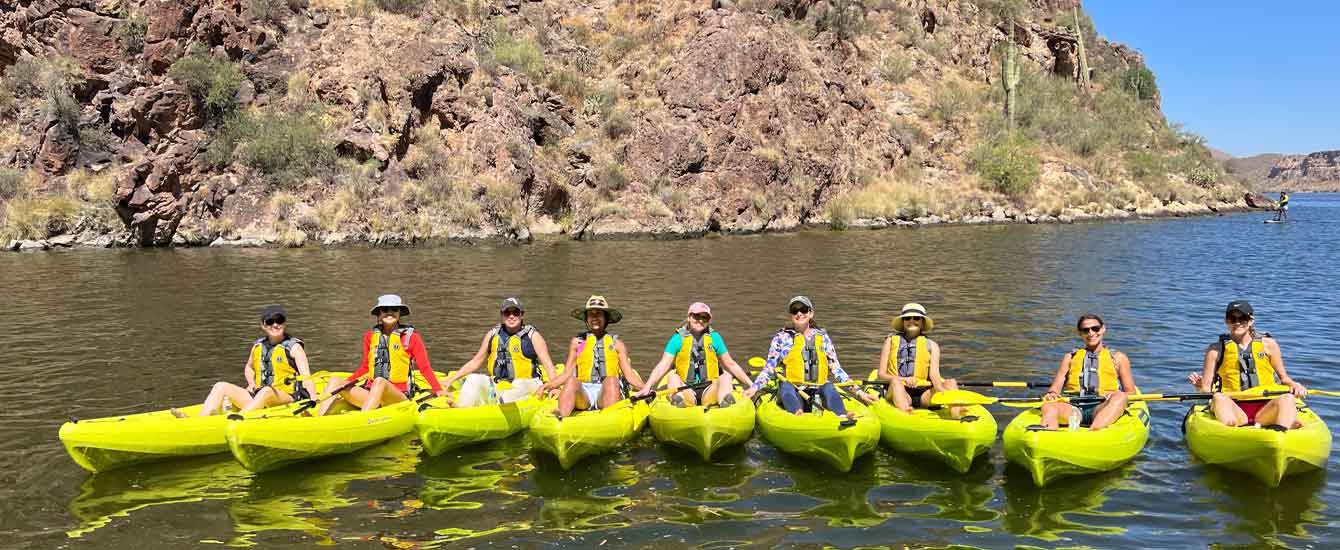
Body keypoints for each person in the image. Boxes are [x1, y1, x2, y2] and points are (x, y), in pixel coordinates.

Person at [173, 305, 318, 417]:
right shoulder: (258, 346)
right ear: (263, 325)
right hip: (259, 396)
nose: (275, 325)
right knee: (220, 386)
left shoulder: (294, 348)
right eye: (270, 321)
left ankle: (240, 419)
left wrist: (313, 399)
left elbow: (306, 377)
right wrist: (252, 383)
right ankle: (200, 421)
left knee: (267, 391)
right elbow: (249, 368)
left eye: (279, 320)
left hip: (287, 398)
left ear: (284, 323)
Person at [315, 295, 449, 415]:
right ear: (379, 314)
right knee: (335, 381)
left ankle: (361, 422)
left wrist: (437, 389)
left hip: (398, 397)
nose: (389, 312)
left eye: (394, 310)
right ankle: (317, 422)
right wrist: (344, 386)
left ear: (399, 314)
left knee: (379, 381)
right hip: (371, 394)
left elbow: (424, 367)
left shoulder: (412, 338)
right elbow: (365, 367)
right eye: (385, 309)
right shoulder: (370, 337)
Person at [743, 296, 874, 416]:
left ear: (811, 313)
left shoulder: (822, 338)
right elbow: (769, 369)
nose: (799, 313)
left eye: (803, 310)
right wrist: (754, 388)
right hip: (794, 391)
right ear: (791, 315)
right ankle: (797, 413)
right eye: (795, 311)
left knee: (828, 386)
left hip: (818, 391)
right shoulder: (782, 338)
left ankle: (841, 414)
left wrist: (859, 392)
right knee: (786, 386)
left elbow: (837, 369)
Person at [1187, 300, 1307, 429]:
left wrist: (1295, 385)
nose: (1237, 323)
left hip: (1266, 407)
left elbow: (1284, 378)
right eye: (1232, 319)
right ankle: (1231, 431)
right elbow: (1206, 388)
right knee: (1218, 398)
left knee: (1287, 398)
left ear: (1250, 321)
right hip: (1234, 407)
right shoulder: (1214, 350)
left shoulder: (1269, 345)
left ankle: (1280, 431)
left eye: (1242, 318)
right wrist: (1200, 388)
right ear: (1226, 322)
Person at [542, 295, 646, 417]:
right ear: (586, 319)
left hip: (606, 391)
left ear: (606, 318)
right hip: (584, 393)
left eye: (599, 314)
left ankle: (610, 420)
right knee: (572, 381)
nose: (595, 318)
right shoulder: (579, 342)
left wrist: (646, 388)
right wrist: (547, 386)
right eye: (591, 314)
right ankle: (561, 418)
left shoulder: (617, 345)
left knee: (612, 380)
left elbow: (629, 375)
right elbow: (567, 373)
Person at [442, 297, 559, 406]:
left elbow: (547, 364)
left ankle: (497, 404)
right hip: (499, 384)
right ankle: (463, 408)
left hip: (528, 384)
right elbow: (475, 362)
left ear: (522, 315)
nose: (511, 316)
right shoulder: (492, 335)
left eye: (516, 313)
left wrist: (554, 386)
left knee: (517, 386)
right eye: (507, 313)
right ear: (502, 315)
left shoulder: (533, 336)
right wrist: (450, 380)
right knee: (473, 379)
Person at [635, 302, 755, 408]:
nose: (700, 320)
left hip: (709, 390)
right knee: (672, 376)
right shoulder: (677, 339)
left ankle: (725, 403)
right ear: (689, 317)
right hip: (686, 389)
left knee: (727, 376)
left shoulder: (715, 338)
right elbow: (663, 364)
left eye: (705, 318)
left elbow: (731, 364)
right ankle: (678, 402)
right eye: (696, 316)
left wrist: (753, 385)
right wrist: (647, 387)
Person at [1036, 314, 1135, 431]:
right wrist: (1051, 394)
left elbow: (1131, 392)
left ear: (1103, 329)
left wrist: (1113, 395)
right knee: (1048, 407)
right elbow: (1055, 388)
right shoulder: (1070, 357)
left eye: (1095, 328)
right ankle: (1047, 432)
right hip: (1073, 408)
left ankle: (1094, 431)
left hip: (1102, 407)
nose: (1091, 333)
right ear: (1080, 333)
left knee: (1120, 396)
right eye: (1085, 330)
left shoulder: (1118, 358)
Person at [875, 303, 969, 419]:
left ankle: (957, 414)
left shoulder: (932, 345)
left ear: (922, 322)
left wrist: (940, 389)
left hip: (923, 394)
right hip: (898, 391)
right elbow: (881, 374)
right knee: (895, 382)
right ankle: (905, 413)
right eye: (907, 318)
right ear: (903, 322)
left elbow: (934, 375)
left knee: (951, 382)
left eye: (916, 318)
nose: (912, 321)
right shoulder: (890, 341)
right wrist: (904, 379)